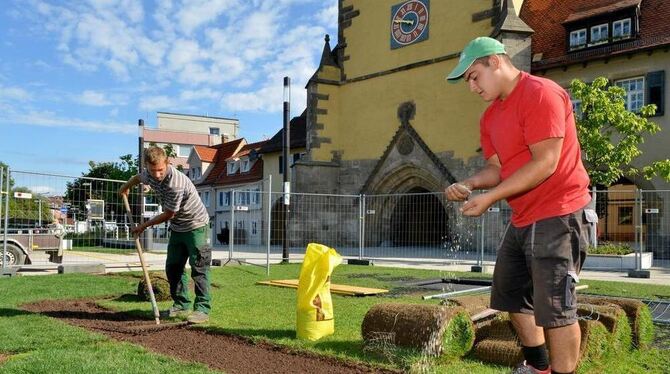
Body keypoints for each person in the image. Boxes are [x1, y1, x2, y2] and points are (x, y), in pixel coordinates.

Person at [445, 37, 593, 374]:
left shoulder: (542, 93)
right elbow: (497, 169)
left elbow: (546, 163)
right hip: (524, 216)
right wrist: (469, 184)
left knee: (556, 308)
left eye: (473, 76)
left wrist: (491, 198)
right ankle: (539, 367)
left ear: (495, 62)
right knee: (510, 295)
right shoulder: (490, 118)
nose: (471, 87)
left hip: (561, 212)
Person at [119, 146, 212, 324]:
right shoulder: (149, 174)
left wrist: (143, 226)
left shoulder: (175, 183)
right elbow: (138, 178)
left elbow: (169, 214)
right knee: (173, 268)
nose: (157, 175)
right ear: (147, 166)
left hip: (196, 226)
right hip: (178, 228)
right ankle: (181, 304)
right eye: (153, 171)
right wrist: (125, 187)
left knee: (199, 267)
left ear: (168, 163)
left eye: (161, 170)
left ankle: (202, 309)